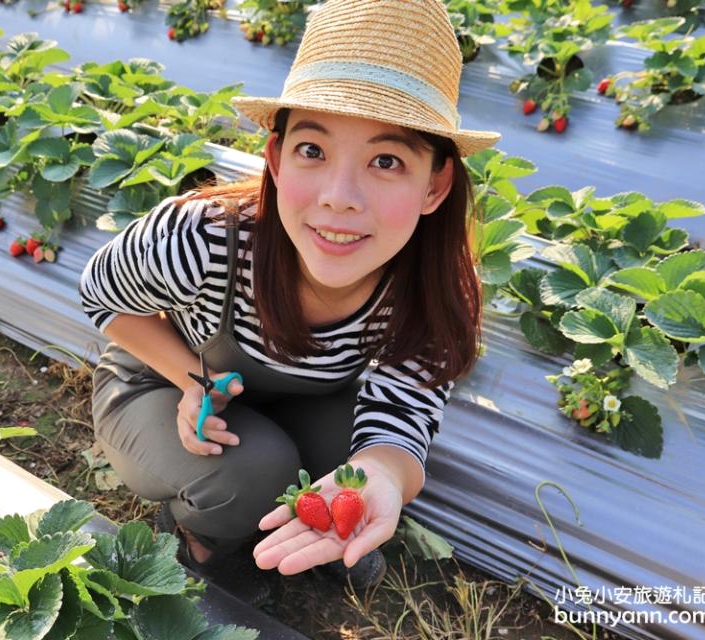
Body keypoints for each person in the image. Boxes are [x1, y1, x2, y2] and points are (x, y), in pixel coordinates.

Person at [79, 0, 501, 608]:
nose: (339, 198)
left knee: (347, 457)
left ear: (434, 184)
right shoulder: (204, 237)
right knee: (250, 472)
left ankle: (308, 526)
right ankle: (204, 538)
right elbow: (101, 296)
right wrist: (190, 377)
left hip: (301, 396)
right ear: (275, 159)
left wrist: (381, 478)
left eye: (387, 161)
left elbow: (404, 415)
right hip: (162, 384)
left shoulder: (428, 287)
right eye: (312, 150)